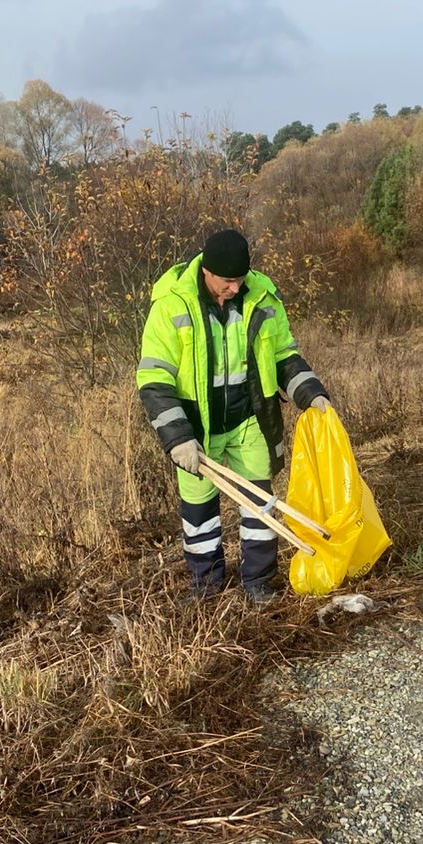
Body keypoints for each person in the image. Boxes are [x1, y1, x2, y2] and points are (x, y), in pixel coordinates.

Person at [136, 228, 331, 601]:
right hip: (197, 429)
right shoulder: (171, 305)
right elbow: (153, 378)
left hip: (249, 420)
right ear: (207, 272)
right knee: (199, 515)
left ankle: (258, 584)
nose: (236, 289)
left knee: (260, 504)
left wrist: (311, 393)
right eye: (228, 282)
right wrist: (177, 436)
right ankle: (206, 587)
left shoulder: (262, 296)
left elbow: (284, 354)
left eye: (241, 280)